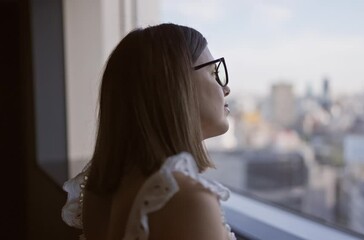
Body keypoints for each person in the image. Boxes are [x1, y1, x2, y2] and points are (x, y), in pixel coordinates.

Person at [61, 23, 235, 240]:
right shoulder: (185, 198)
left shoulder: (101, 189)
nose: (226, 89)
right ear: (176, 85)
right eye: (213, 72)